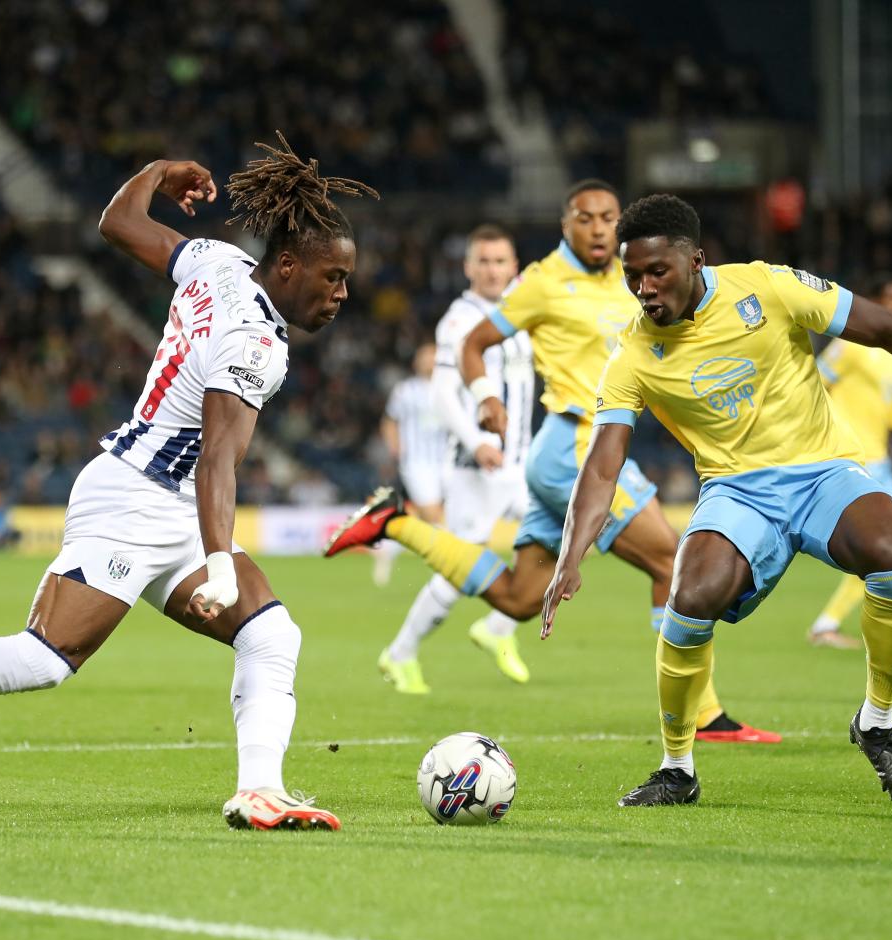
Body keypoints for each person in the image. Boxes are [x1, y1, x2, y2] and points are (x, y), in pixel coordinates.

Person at [0, 135, 379, 831]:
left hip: (174, 507)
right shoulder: (254, 343)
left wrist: (159, 172)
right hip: (134, 498)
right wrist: (221, 559)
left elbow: (118, 224)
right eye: (332, 277)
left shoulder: (218, 262)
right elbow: (220, 458)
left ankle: (258, 790)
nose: (342, 293)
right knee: (44, 659)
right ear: (287, 264)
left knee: (272, 635)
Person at [541, 194, 892, 807]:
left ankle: (877, 722)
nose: (645, 289)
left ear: (695, 261)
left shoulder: (768, 288)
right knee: (689, 597)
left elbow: (889, 330)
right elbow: (603, 463)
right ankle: (676, 768)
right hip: (737, 491)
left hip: (821, 472)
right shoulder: (632, 353)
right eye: (633, 277)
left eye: (658, 273)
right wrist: (571, 554)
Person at [328, 181, 779, 743]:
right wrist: (486, 397)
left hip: (567, 453)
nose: (597, 228)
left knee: (520, 597)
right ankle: (703, 716)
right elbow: (472, 344)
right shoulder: (542, 282)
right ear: (565, 224)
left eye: (608, 217)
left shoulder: (633, 275)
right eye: (584, 218)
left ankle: (395, 524)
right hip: (576, 450)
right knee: (673, 563)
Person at [377, 225, 533, 693]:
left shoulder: (521, 311)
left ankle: (499, 627)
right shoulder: (458, 320)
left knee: (572, 535)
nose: (491, 269)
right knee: (461, 572)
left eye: (500, 261)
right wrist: (476, 440)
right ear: (468, 267)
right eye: (483, 261)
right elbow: (443, 394)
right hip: (475, 466)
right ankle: (400, 653)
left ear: (514, 268)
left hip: (521, 463)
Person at [808, 278, 892, 649]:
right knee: (882, 547)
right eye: (889, 299)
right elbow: (814, 383)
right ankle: (830, 623)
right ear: (872, 302)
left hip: (879, 461)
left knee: (885, 548)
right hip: (847, 456)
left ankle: (828, 623)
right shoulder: (851, 346)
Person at [372, 342, 446, 588]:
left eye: (433, 357)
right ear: (417, 362)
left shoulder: (449, 388)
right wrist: (396, 448)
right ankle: (446, 570)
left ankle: (389, 546)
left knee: (430, 519)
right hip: (417, 462)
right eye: (425, 357)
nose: (430, 362)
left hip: (445, 462)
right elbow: (389, 421)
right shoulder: (405, 390)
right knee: (433, 514)